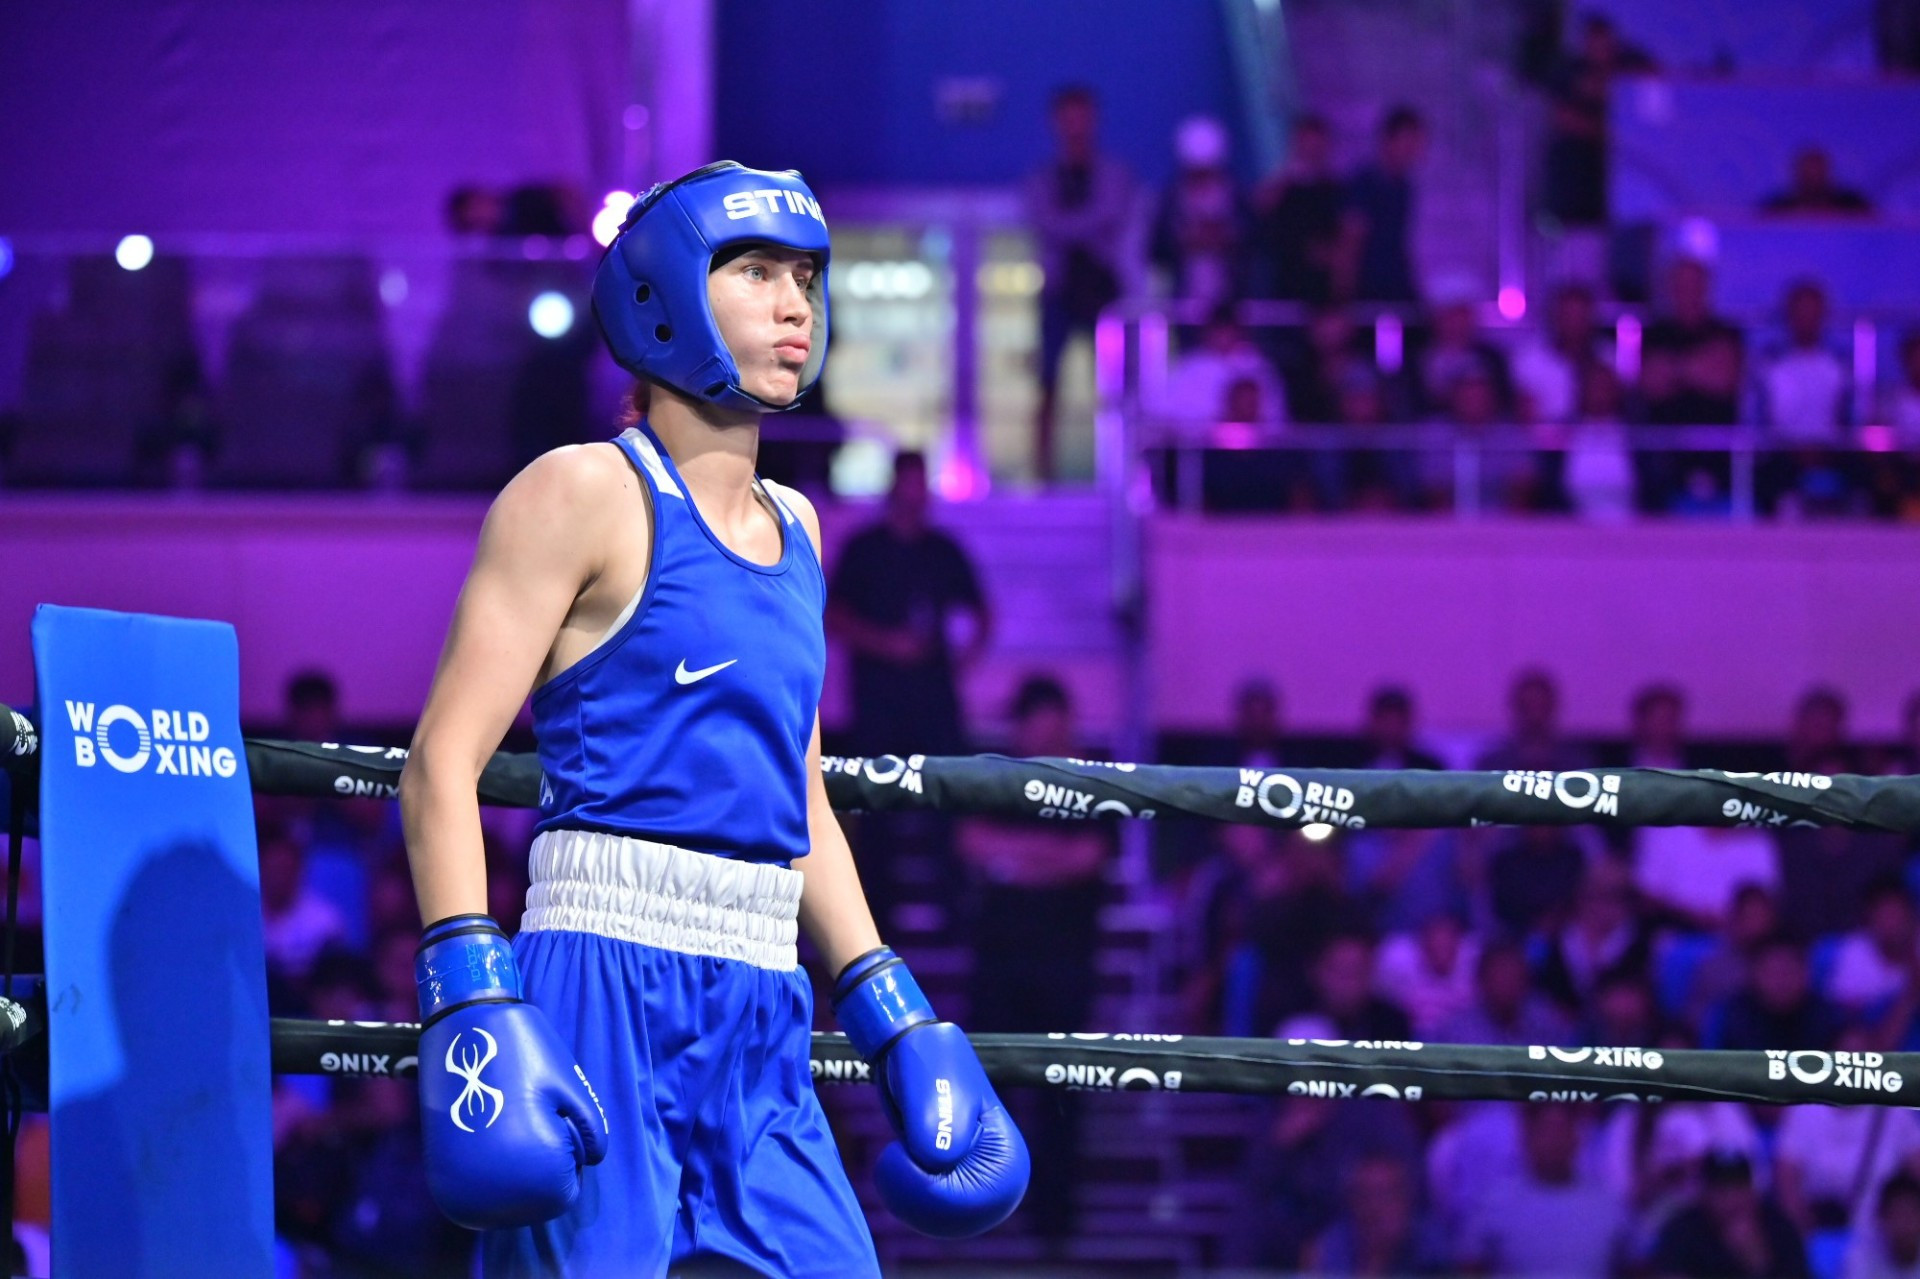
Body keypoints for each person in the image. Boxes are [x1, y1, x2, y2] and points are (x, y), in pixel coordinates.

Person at [398, 161, 1027, 1276]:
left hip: (763, 991)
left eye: (806, 278)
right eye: (756, 273)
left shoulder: (801, 528)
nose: (795, 305)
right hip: (602, 969)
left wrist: (890, 1005)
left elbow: (801, 798)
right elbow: (441, 766)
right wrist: (472, 998)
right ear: (665, 294)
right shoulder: (583, 491)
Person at [1025, 83, 1140, 482]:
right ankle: (1043, 475)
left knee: (1116, 385)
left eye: (1082, 118)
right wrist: (1088, 224)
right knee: (1047, 385)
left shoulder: (1114, 174)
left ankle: (1124, 471)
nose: (1075, 126)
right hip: (1060, 290)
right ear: (1056, 123)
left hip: (1103, 290)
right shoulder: (1043, 179)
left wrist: (1068, 225)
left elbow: (1111, 214)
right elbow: (1046, 222)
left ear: (1093, 121)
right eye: (1067, 118)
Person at [1336, 105, 1428, 304]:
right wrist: (1343, 295)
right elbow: (1351, 238)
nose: (1413, 151)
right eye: (1408, 142)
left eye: (1417, 143)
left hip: (1395, 283)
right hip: (1368, 287)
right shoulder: (1365, 183)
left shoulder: (1403, 187)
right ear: (1387, 140)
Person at [1760, 146, 1874, 218]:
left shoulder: (1851, 205)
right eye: (1808, 174)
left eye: (1818, 172)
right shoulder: (1779, 207)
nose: (1814, 178)